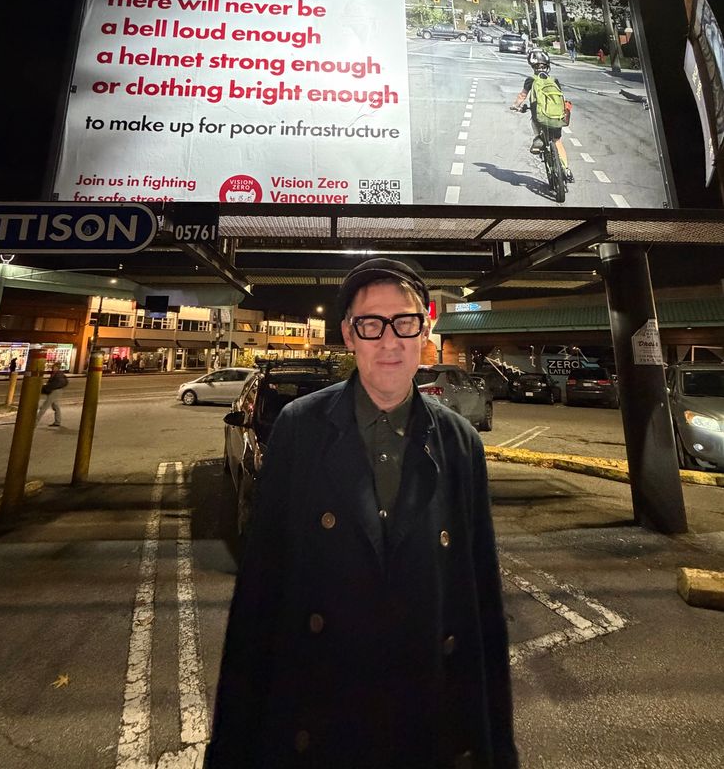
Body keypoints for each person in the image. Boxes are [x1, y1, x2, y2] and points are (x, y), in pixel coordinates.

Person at [206, 258, 518, 769]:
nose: (390, 341)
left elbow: (481, 600)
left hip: (427, 716)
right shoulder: (299, 428)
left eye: (404, 322)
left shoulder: (460, 442)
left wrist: (495, 748)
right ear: (349, 335)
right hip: (322, 712)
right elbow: (260, 595)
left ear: (427, 328)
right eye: (371, 325)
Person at [510, 48, 574, 183]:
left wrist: (516, 106)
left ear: (533, 66)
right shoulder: (554, 80)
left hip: (540, 117)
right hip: (557, 117)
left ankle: (539, 139)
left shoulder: (531, 80)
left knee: (534, 121)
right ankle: (566, 169)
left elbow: (522, 95)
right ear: (547, 65)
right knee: (557, 141)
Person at [36, 363, 69, 427]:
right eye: (53, 367)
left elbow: (55, 384)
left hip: (55, 391)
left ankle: (35, 422)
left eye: (54, 367)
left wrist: (46, 387)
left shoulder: (59, 375)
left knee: (44, 406)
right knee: (55, 406)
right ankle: (57, 421)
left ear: (57, 368)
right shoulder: (56, 374)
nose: (53, 368)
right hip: (55, 391)